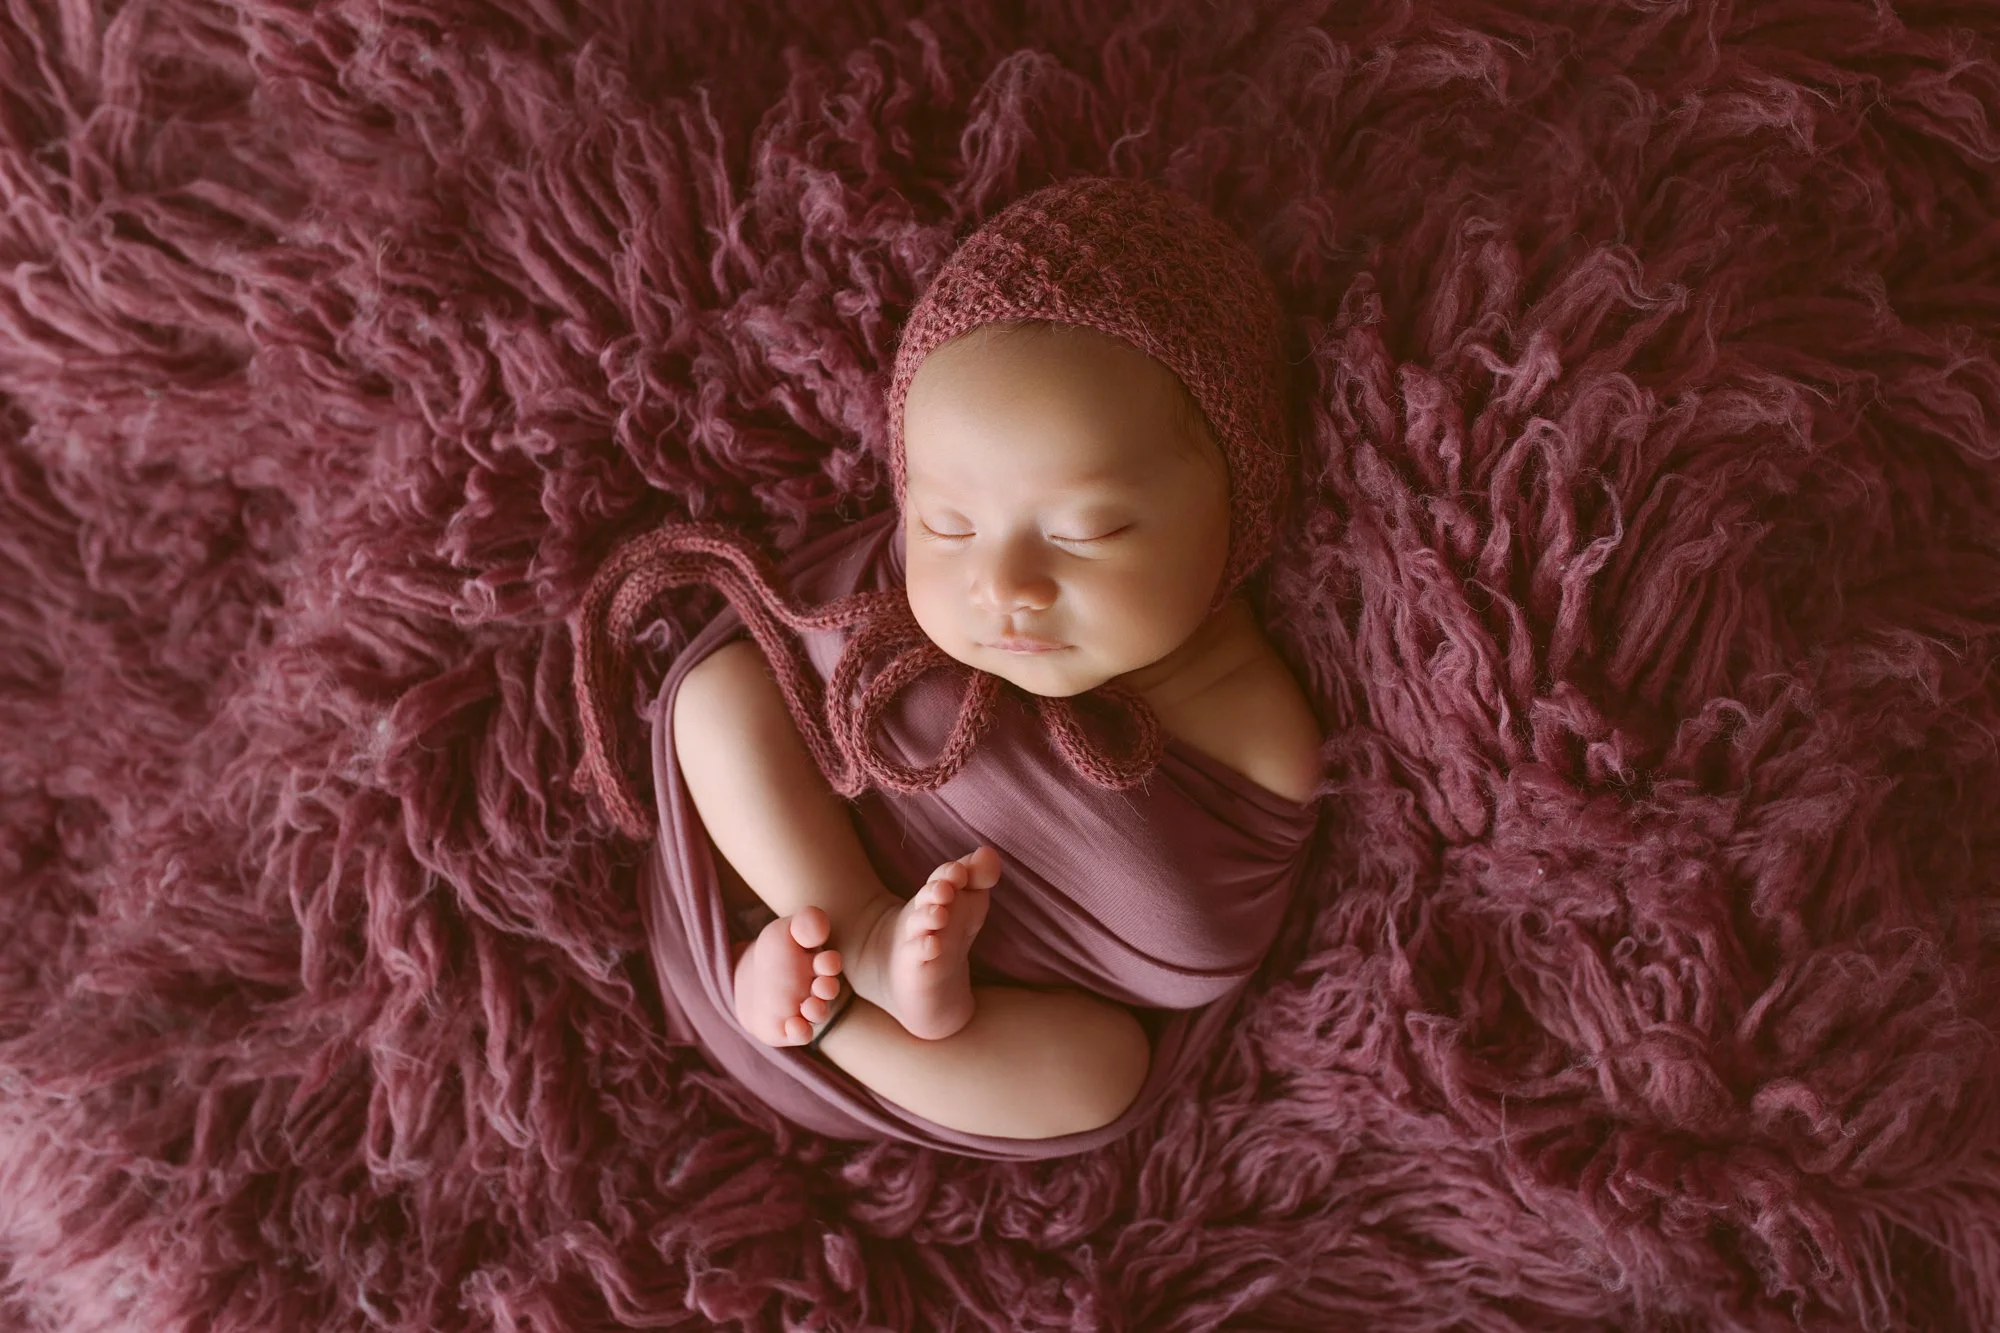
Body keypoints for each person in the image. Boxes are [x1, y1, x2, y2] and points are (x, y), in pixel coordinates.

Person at [570, 177, 1325, 1159]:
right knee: (718, 699)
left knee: (1099, 1074)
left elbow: (1199, 947)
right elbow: (804, 661)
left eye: (1084, 530)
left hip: (969, 1039)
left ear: (1239, 499)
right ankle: (851, 931)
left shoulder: (1261, 733)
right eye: (947, 525)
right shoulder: (886, 600)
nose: (1002, 582)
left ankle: (837, 1024)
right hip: (787, 888)